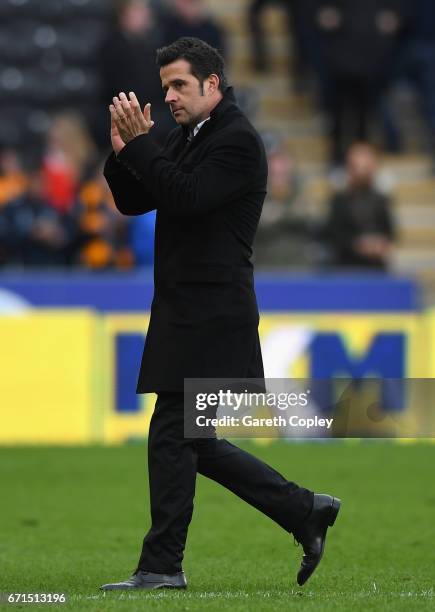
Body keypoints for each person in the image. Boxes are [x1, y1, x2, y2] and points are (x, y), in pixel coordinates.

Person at [100, 37, 340, 591]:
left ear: (213, 83)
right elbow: (139, 199)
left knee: (171, 434)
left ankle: (162, 566)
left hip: (210, 314)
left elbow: (183, 196)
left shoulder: (236, 140)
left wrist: (143, 148)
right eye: (165, 88)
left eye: (180, 84)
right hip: (190, 309)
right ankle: (305, 511)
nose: (170, 97)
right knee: (193, 440)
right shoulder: (193, 136)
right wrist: (124, 153)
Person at [325, 142, 396, 269]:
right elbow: (333, 235)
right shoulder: (339, 200)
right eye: (358, 167)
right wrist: (358, 245)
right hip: (345, 267)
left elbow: (390, 232)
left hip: (376, 268)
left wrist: (379, 245)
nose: (362, 172)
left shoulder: (381, 199)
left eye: (366, 167)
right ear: (349, 168)